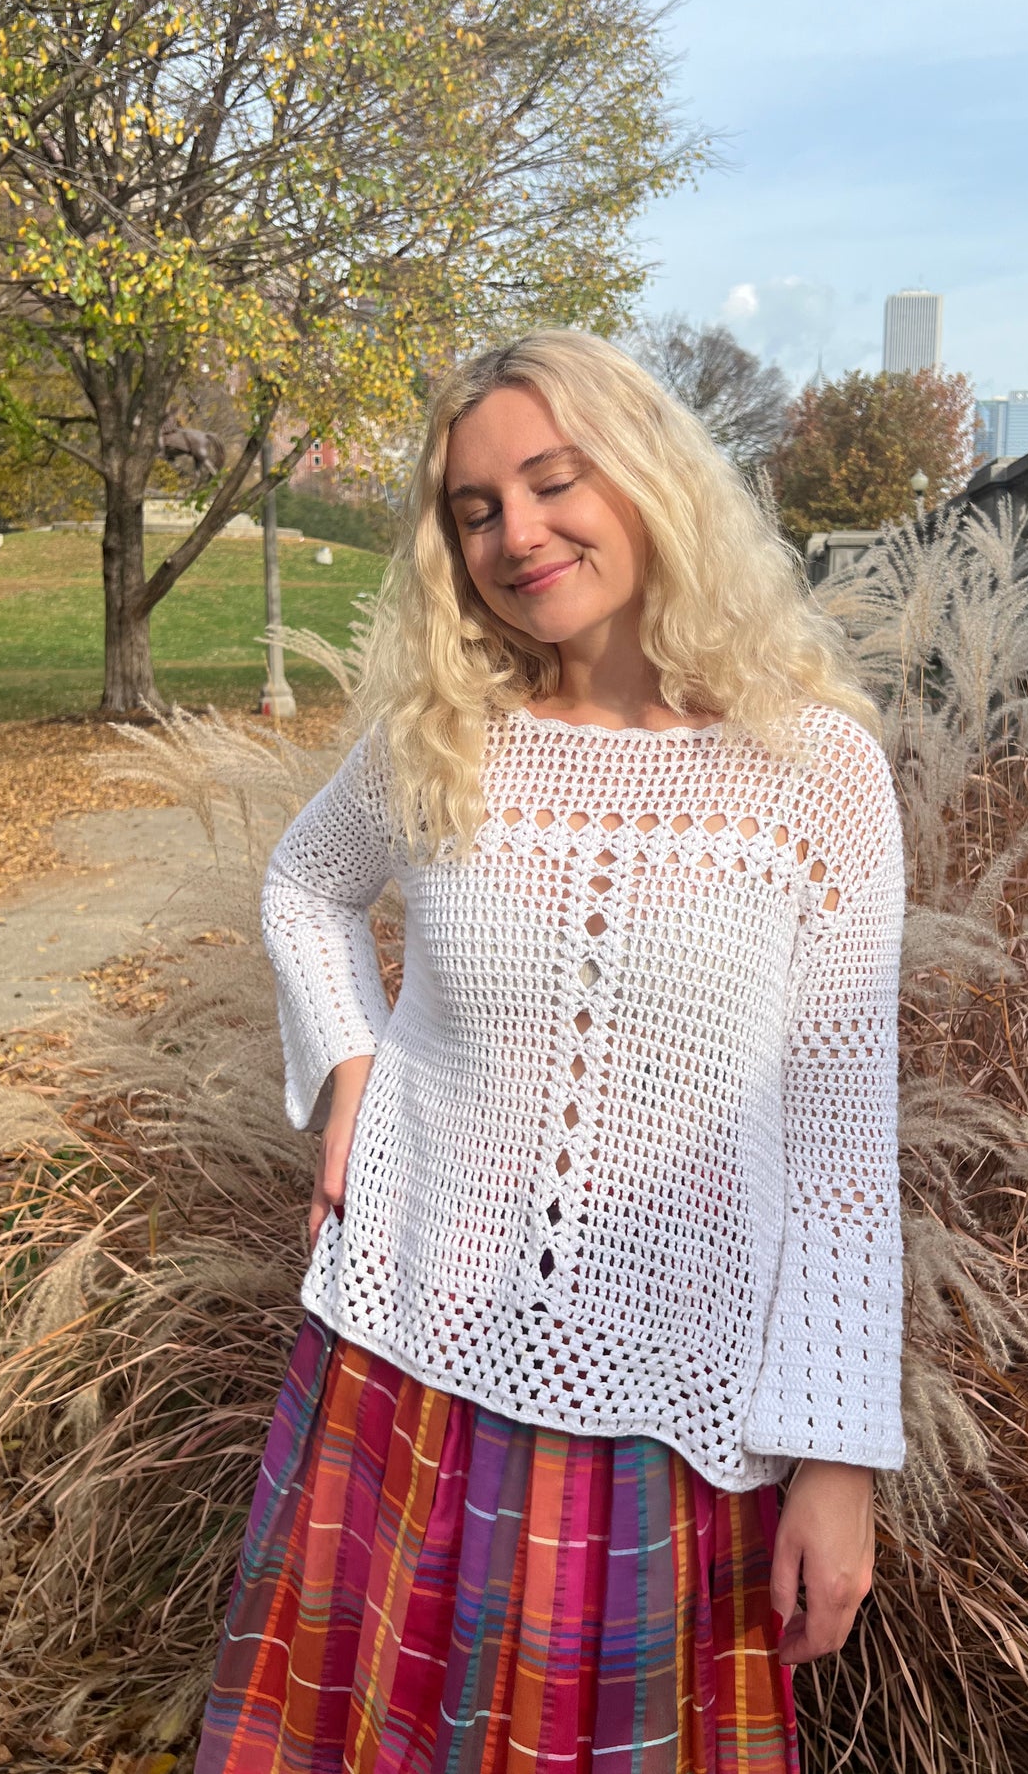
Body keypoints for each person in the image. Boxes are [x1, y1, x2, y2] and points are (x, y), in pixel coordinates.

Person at [195, 329, 907, 1773]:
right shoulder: (446, 734)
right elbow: (305, 883)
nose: (516, 534)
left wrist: (840, 1463)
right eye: (474, 509)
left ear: (646, 477)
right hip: (403, 1363)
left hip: (662, 1421)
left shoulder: (811, 767)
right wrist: (349, 1066)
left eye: (552, 481)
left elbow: (840, 1143)